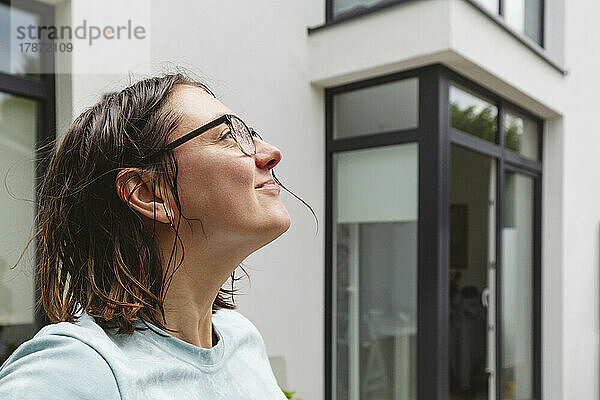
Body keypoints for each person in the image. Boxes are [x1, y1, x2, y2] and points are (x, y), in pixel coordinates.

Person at [0, 73, 314, 399]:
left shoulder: (241, 339)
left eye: (249, 134)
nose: (270, 152)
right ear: (150, 193)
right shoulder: (77, 371)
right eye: (227, 136)